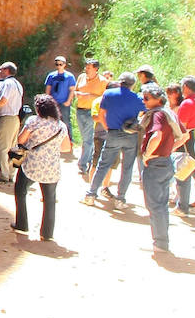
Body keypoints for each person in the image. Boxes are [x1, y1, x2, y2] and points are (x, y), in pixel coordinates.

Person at [12, 94, 70, 241]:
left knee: (20, 190)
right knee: (49, 199)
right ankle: (47, 233)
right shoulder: (61, 126)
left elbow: (21, 140)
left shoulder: (33, 121)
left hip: (31, 164)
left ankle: (22, 223)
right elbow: (66, 148)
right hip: (51, 168)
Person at [85, 72, 144, 209]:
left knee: (103, 164)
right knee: (127, 168)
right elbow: (142, 113)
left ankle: (91, 195)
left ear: (120, 81)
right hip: (131, 135)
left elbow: (101, 115)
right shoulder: (137, 98)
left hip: (113, 133)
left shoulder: (109, 94)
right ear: (133, 84)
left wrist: (108, 129)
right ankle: (120, 199)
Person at [138, 83, 178, 256]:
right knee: (161, 205)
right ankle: (162, 241)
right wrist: (168, 150)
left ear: (158, 99)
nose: (144, 101)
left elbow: (157, 135)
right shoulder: (169, 113)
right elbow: (183, 136)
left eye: (147, 98)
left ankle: (160, 243)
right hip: (166, 162)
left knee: (154, 206)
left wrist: (147, 155)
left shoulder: (157, 115)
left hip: (155, 165)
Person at [0, 62, 24, 184]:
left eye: (1, 69)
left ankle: (3, 174)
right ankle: (10, 173)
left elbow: (3, 100)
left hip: (6, 117)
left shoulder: (7, 83)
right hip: (15, 118)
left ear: (7, 70)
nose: (0, 72)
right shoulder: (17, 84)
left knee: (1, 147)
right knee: (12, 148)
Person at [173, 77, 195, 216]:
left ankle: (182, 207)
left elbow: (181, 127)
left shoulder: (188, 103)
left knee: (183, 173)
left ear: (186, 87)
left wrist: (173, 144)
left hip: (187, 140)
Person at [72, 59, 109, 177]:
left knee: (88, 139)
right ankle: (90, 160)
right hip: (80, 110)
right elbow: (75, 90)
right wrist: (77, 94)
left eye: (89, 67)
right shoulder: (81, 77)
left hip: (92, 111)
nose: (86, 69)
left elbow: (105, 97)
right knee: (85, 138)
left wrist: (89, 96)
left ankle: (82, 164)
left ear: (96, 69)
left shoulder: (103, 81)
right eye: (86, 67)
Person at [44, 56, 76, 131]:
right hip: (53, 102)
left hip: (64, 102)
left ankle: (69, 140)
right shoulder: (51, 76)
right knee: (52, 120)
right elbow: (48, 88)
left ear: (64, 65)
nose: (58, 66)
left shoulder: (69, 76)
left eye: (60, 64)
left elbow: (72, 90)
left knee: (66, 121)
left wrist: (68, 101)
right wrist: (48, 101)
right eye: (57, 64)